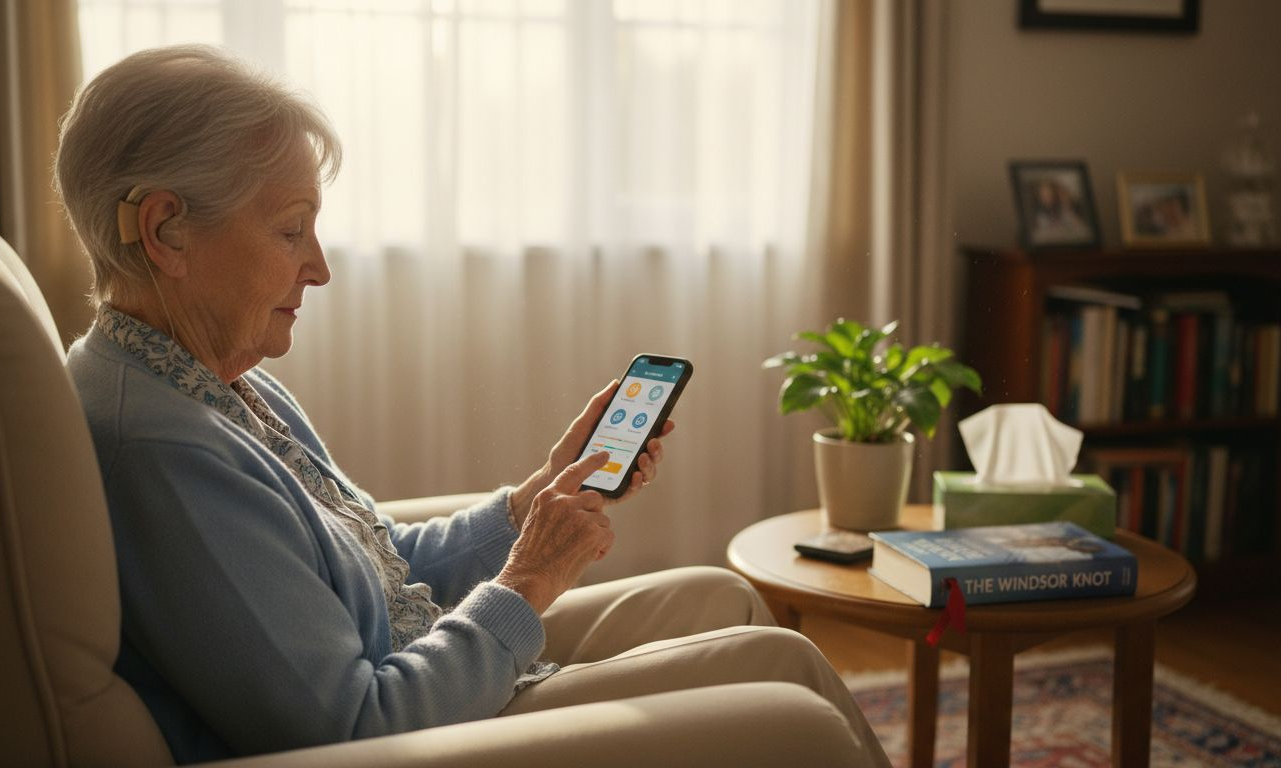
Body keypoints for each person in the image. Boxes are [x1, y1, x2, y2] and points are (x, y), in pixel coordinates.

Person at [54, 45, 890, 766]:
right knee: (788, 677)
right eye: (289, 230)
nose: (318, 268)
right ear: (165, 231)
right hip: (422, 738)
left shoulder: (213, 380)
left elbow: (382, 564)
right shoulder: (162, 450)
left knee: (725, 601)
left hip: (432, 678)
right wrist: (529, 580)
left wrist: (532, 500)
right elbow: (353, 726)